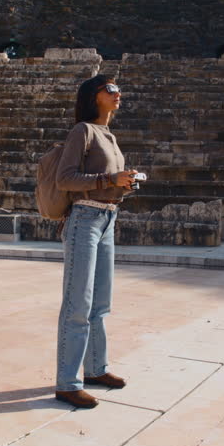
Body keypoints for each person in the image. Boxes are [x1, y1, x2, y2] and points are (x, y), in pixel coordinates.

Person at [53, 75, 139, 409]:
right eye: (112, 89)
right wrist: (107, 178)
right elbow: (64, 179)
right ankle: (67, 383)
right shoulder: (82, 131)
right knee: (78, 304)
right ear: (95, 96)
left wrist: (123, 185)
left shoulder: (110, 137)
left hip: (108, 219)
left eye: (119, 88)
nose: (119, 94)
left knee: (100, 304)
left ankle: (95, 369)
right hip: (84, 220)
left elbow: (109, 182)